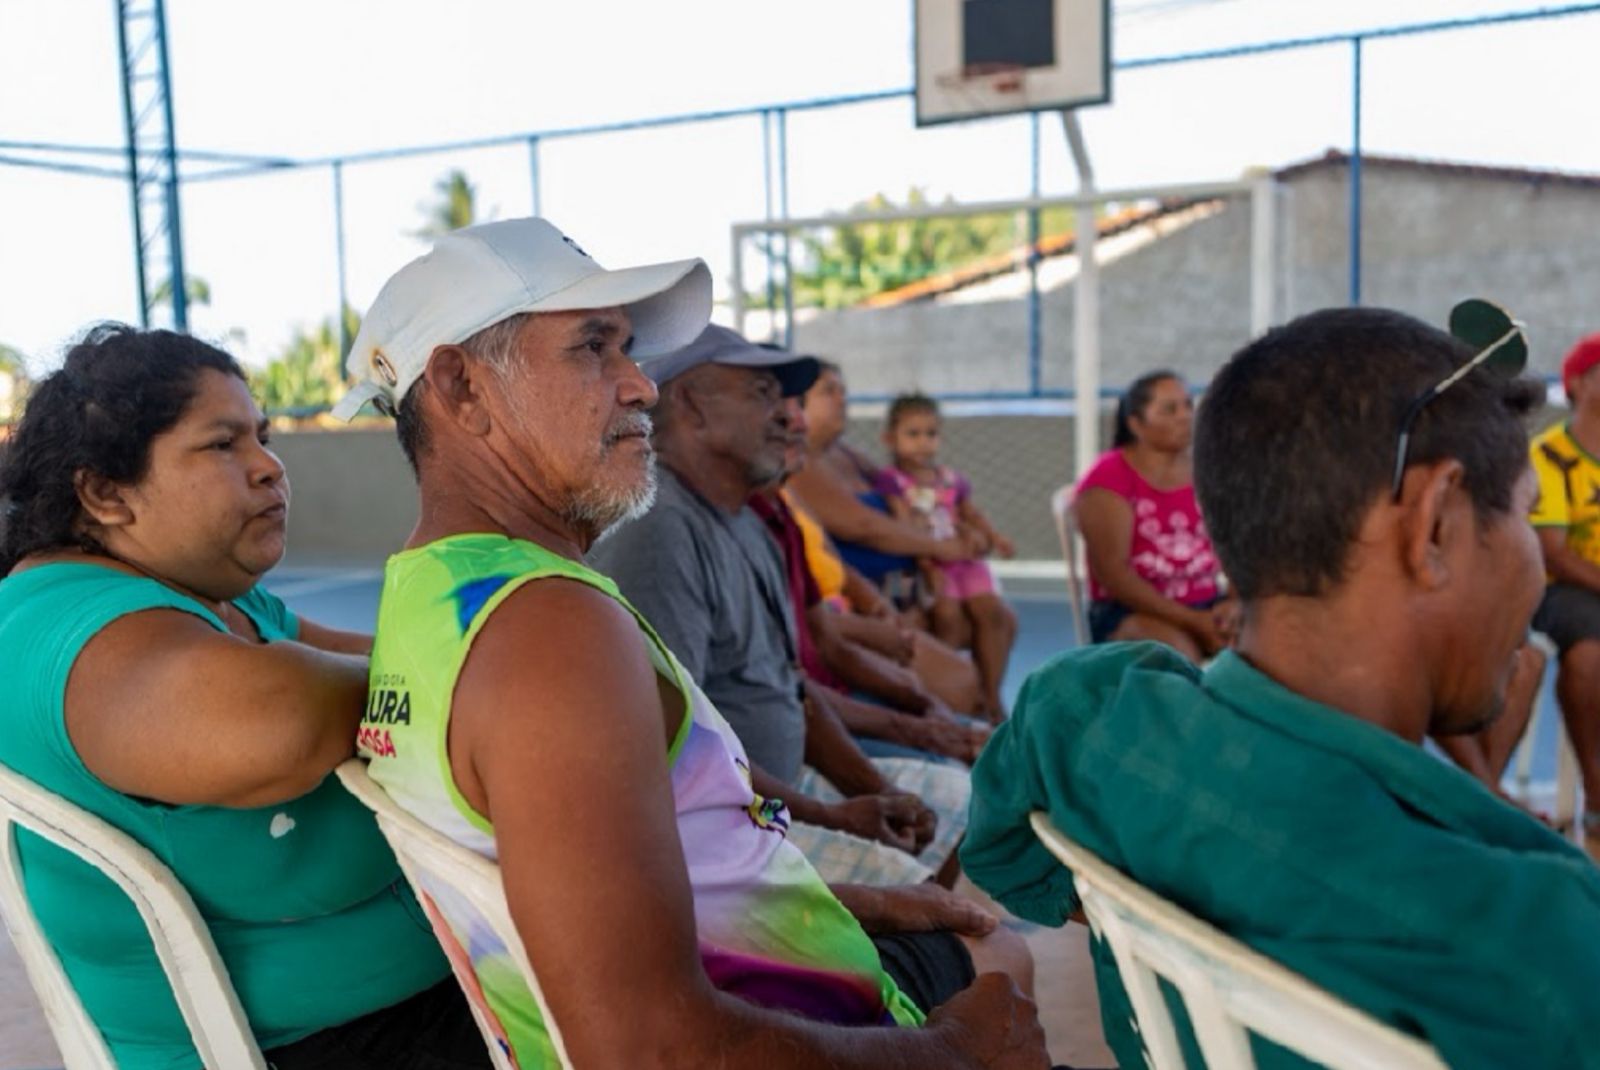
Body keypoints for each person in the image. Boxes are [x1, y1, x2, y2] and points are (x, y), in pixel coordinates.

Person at [334, 218, 1049, 1069]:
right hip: (797, 1019)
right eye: (593, 348)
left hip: (770, 986)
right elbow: (646, 1048)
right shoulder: (549, 631)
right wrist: (957, 1053)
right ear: (460, 389)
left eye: (629, 351)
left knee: (994, 945)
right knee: (1008, 960)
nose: (640, 386)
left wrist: (859, 901)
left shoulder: (433, 591)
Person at [962, 306, 1600, 1070]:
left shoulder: (1082, 712)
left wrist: (1192, 914)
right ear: (1433, 524)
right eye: (1527, 516)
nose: (1534, 561)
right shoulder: (1534, 937)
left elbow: (998, 852)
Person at [0, 325, 488, 1070]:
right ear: (104, 493)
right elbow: (288, 722)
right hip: (319, 1047)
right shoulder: (61, 625)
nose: (269, 467)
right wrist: (453, 677)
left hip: (412, 1009)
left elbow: (370, 656)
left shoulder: (215, 599)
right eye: (222, 445)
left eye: (261, 437)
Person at [593, 324, 984, 884]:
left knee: (962, 799)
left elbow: (795, 691)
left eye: (784, 396)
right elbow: (680, 749)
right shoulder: (660, 533)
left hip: (783, 787)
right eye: (761, 394)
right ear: (692, 406)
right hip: (717, 828)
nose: (786, 414)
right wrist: (834, 817)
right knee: (949, 921)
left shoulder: (749, 522)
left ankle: (899, 961)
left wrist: (879, 793)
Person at [789, 361, 976, 614]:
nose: (841, 399)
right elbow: (864, 526)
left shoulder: (847, 454)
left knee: (991, 617)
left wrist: (964, 527)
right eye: (828, 391)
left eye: (843, 391)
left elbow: (907, 490)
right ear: (797, 401)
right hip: (863, 598)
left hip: (911, 581)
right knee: (950, 622)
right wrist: (942, 547)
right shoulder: (798, 464)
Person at [1072, 369, 1232, 661]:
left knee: (1278, 638)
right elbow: (1114, 575)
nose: (1185, 416)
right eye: (1169, 409)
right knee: (1177, 659)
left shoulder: (1206, 469)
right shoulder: (1107, 480)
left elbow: (1236, 545)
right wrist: (1191, 621)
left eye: (1188, 405)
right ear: (1135, 423)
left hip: (1207, 602)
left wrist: (1234, 601)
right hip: (1129, 611)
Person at [877, 392, 1017, 719]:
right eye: (913, 434)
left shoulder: (951, 479)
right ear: (889, 438)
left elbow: (970, 514)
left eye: (931, 433)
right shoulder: (893, 482)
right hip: (933, 563)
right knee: (948, 615)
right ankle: (953, 694)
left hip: (965, 562)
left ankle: (991, 694)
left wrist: (994, 537)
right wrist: (925, 564)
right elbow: (903, 528)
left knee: (991, 611)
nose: (923, 443)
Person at [1529, 331, 1600, 840]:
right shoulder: (1549, 455)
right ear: (1578, 383)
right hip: (1565, 590)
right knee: (1588, 652)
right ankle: (1596, 793)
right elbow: (1553, 551)